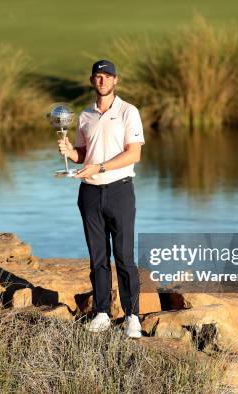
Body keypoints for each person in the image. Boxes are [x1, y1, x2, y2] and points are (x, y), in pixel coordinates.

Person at [58, 59, 145, 338]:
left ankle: (133, 316)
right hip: (89, 193)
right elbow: (85, 156)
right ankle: (102, 312)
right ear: (92, 80)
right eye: (98, 76)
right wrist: (71, 153)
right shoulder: (85, 116)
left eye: (107, 76)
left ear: (115, 80)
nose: (102, 81)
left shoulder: (128, 112)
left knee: (124, 257)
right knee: (98, 258)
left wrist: (101, 167)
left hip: (119, 190)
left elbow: (134, 154)